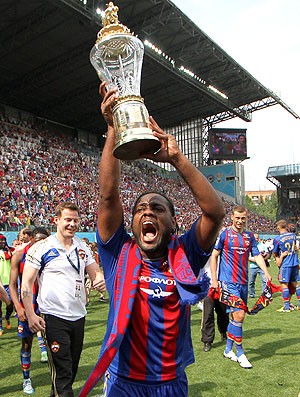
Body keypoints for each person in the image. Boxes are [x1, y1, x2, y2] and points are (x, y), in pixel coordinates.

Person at [79, 82, 225, 397]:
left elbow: (214, 214)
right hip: (122, 381)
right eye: (140, 209)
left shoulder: (186, 253)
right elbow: (107, 196)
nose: (148, 212)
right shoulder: (119, 252)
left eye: (157, 209)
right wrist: (112, 130)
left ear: (172, 223)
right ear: (131, 223)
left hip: (169, 383)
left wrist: (177, 159)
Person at [21, 202, 106, 397]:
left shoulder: (82, 245)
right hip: (53, 317)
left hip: (78, 316)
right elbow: (26, 284)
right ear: (56, 220)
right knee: (63, 374)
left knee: (70, 371)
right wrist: (31, 314)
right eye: (68, 219)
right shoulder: (42, 247)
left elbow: (95, 272)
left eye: (76, 220)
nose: (72, 224)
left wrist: (99, 280)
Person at [210, 205, 272, 369]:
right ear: (232, 217)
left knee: (235, 318)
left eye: (242, 218)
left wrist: (266, 271)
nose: (239, 221)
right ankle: (240, 352)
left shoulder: (249, 236)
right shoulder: (225, 234)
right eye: (237, 217)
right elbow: (214, 255)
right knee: (240, 315)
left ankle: (228, 349)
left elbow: (256, 255)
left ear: (246, 218)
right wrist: (214, 279)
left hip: (242, 282)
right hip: (227, 282)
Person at [9, 227, 51, 395]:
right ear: (32, 238)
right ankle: (26, 379)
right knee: (27, 344)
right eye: (38, 240)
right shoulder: (19, 255)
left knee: (54, 343)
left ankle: (59, 379)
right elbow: (12, 285)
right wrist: (18, 307)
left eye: (44, 241)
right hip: (28, 305)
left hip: (48, 305)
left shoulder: (50, 255)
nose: (41, 244)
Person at [201, 259, 229, 352]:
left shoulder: (222, 247)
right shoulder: (204, 249)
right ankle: (207, 340)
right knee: (208, 314)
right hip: (208, 285)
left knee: (223, 312)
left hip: (222, 284)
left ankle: (223, 331)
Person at [272, 219, 300, 312]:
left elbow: (275, 252)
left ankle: (286, 306)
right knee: (295, 283)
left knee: (284, 285)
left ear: (278, 227)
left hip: (286, 264)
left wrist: (279, 257)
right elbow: (296, 248)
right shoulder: (293, 235)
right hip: (295, 262)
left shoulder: (277, 239)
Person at [0, 234, 14, 335]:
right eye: (1, 241)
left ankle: (7, 317)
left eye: (4, 240)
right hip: (0, 282)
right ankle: (0, 327)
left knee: (10, 305)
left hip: (8, 282)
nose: (3, 242)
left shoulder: (10, 251)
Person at [248, 233, 270, 298]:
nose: (256, 239)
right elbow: (248, 257)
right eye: (254, 238)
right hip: (253, 267)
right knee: (251, 282)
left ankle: (264, 294)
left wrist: (262, 259)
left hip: (262, 267)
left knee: (264, 281)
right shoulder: (249, 246)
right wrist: (257, 260)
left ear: (259, 238)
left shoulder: (263, 245)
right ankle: (251, 294)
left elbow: (268, 255)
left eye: (257, 238)